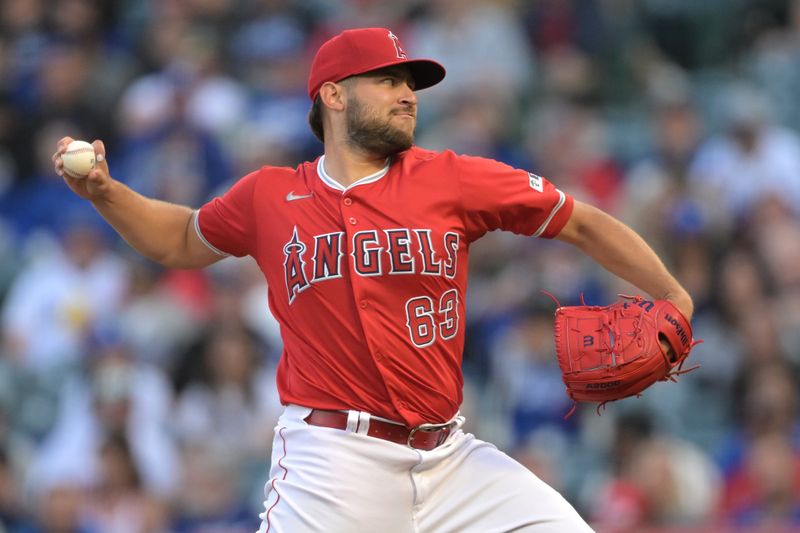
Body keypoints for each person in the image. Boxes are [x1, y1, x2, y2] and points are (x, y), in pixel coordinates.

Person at [53, 27, 693, 533]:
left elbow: (579, 222)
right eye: (388, 80)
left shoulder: (452, 178)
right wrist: (106, 193)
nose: (407, 93)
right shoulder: (270, 196)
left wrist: (673, 294)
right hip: (333, 463)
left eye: (410, 83)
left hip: (450, 459)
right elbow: (182, 238)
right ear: (333, 94)